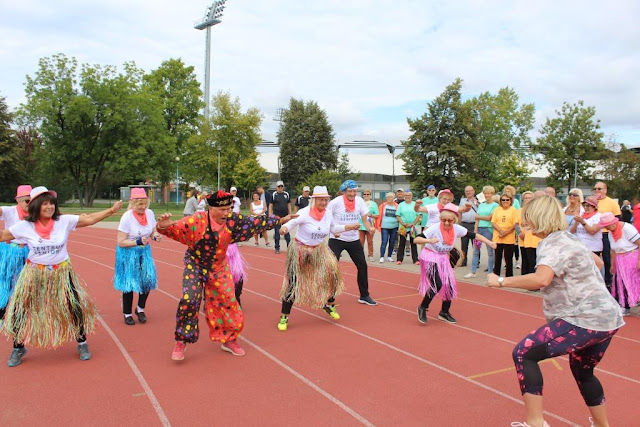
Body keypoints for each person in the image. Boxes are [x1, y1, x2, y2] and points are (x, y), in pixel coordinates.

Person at [487, 195, 624, 427]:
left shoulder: (551, 243)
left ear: (538, 218)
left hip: (583, 319)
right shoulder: (570, 238)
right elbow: (599, 263)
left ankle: (535, 423)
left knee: (524, 353)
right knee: (583, 371)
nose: (524, 224)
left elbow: (541, 279)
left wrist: (501, 281)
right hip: (608, 317)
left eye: (527, 218)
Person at [156, 190, 294, 360]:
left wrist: (278, 220)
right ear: (211, 209)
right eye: (222, 210)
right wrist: (163, 226)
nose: (226, 213)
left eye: (228, 209)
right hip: (195, 265)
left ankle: (229, 339)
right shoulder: (197, 220)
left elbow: (253, 222)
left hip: (218, 267)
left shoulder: (232, 220)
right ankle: (182, 340)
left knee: (229, 301)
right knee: (190, 298)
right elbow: (176, 228)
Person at [1, 186, 123, 367]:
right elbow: (3, 235)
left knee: (74, 306)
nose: (49, 207)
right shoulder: (25, 226)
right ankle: (18, 347)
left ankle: (82, 343)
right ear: (36, 206)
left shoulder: (63, 221)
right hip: (34, 274)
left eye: (51, 203)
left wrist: (111, 210)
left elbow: (89, 219)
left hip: (62, 273)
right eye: (44, 204)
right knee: (20, 309)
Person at [276, 186, 359, 331]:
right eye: (321, 200)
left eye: (326, 200)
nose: (324, 203)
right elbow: (291, 223)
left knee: (333, 275)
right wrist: (284, 229)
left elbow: (333, 228)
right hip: (300, 250)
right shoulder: (304, 212)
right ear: (314, 200)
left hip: (319, 250)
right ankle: (284, 316)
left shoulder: (328, 214)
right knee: (293, 283)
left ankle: (328, 304)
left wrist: (348, 227)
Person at [414, 203, 496, 324]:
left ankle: (444, 312)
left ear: (454, 220)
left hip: (443, 258)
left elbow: (475, 235)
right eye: (444, 220)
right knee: (437, 284)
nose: (447, 223)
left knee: (450, 286)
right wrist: (429, 240)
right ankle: (422, 307)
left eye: (450, 220)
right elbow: (416, 239)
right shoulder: (435, 228)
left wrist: (489, 242)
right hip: (430, 257)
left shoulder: (457, 229)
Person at [114, 188, 161, 326]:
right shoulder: (127, 217)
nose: (143, 207)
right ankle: (127, 313)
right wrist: (137, 242)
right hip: (128, 254)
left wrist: (155, 236)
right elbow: (121, 241)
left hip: (144, 252)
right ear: (133, 204)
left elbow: (152, 231)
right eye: (140, 204)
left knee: (147, 281)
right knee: (129, 284)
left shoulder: (150, 213)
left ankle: (140, 309)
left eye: (145, 203)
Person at [327, 180, 377, 306]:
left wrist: (370, 228)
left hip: (353, 240)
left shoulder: (359, 201)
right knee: (332, 267)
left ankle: (364, 295)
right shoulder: (335, 202)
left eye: (355, 191)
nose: (353, 194)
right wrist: (332, 231)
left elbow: (365, 220)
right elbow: (326, 219)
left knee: (362, 266)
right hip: (337, 239)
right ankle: (329, 295)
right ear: (343, 191)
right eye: (350, 191)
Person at [0, 185, 32, 325]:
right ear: (18, 200)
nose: (30, 204)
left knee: (24, 286)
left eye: (32, 200)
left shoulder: (36, 213)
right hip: (10, 253)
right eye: (27, 201)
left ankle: (18, 320)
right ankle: (1, 315)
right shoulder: (10, 211)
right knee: (5, 283)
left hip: (29, 253)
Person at [599, 212, 640, 316]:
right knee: (619, 283)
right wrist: (613, 264)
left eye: (607, 225)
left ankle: (629, 304)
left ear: (613, 223)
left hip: (631, 256)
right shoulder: (610, 233)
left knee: (632, 282)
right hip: (620, 259)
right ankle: (624, 305)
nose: (606, 228)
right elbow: (613, 250)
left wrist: (639, 260)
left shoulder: (627, 228)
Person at [465, 186, 497, 278]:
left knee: (490, 252)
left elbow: (489, 218)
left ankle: (490, 272)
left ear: (492, 194)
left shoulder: (495, 205)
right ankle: (473, 271)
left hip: (488, 229)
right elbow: (476, 218)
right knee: (476, 250)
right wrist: (475, 229)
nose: (487, 195)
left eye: (488, 193)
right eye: (485, 193)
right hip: (479, 229)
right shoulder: (481, 205)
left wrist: (478, 217)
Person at [593, 182, 621, 290]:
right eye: (595, 189)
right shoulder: (592, 202)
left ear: (605, 190)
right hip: (593, 233)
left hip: (606, 233)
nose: (597, 191)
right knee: (593, 258)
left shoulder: (611, 202)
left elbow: (618, 218)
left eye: (599, 188)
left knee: (607, 258)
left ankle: (609, 281)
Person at [491, 193, 518, 277]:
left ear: (510, 201)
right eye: (503, 200)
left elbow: (515, 224)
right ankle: (496, 275)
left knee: (508, 258)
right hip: (498, 236)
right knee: (497, 257)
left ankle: (509, 276)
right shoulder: (497, 209)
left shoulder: (514, 210)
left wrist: (505, 232)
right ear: (500, 201)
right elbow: (493, 222)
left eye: (507, 200)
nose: (505, 201)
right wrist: (500, 231)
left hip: (509, 237)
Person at [518, 191, 541, 276]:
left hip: (536, 240)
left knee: (533, 262)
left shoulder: (537, 210)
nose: (527, 199)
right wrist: (519, 232)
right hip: (524, 240)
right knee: (525, 261)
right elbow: (516, 223)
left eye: (529, 198)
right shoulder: (520, 211)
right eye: (526, 198)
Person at [395, 191, 420, 265]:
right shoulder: (401, 205)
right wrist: (403, 223)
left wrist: (413, 223)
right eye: (406, 195)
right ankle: (399, 259)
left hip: (412, 227)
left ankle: (415, 259)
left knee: (413, 243)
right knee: (402, 243)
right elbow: (398, 215)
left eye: (409, 195)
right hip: (403, 226)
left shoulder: (415, 204)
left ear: (412, 196)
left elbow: (418, 215)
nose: (407, 196)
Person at [459, 186, 479, 266]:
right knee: (464, 244)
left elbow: (480, 210)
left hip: (474, 224)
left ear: (473, 191)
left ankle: (476, 261)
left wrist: (476, 203)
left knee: (475, 244)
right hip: (464, 223)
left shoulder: (478, 200)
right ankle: (463, 261)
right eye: (466, 191)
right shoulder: (463, 200)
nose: (468, 192)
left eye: (470, 191)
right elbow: (460, 212)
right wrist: (459, 222)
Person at [375, 192, 398, 263]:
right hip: (384, 226)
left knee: (392, 242)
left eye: (390, 197)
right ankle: (382, 256)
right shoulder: (383, 206)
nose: (389, 198)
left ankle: (389, 256)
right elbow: (378, 215)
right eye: (387, 197)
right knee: (384, 241)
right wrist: (378, 225)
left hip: (394, 226)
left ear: (393, 198)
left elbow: (399, 215)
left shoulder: (397, 206)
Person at [270, 180, 291, 254]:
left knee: (287, 232)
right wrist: (270, 215)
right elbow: (271, 205)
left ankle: (289, 248)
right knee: (277, 232)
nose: (280, 188)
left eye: (281, 186)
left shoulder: (286, 194)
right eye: (279, 186)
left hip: (285, 216)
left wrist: (290, 214)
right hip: (277, 217)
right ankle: (277, 247)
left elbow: (289, 204)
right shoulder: (274, 194)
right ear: (277, 187)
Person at [359, 189, 379, 262]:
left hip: (370, 225)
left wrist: (370, 215)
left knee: (370, 241)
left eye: (368, 194)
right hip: (361, 225)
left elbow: (377, 215)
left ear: (370, 195)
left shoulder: (373, 204)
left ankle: (370, 255)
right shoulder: (360, 203)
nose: (366, 195)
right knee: (361, 241)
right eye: (365, 194)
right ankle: (360, 255)